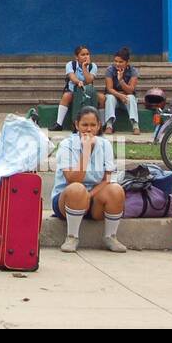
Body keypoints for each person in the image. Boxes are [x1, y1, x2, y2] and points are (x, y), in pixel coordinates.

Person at [51, 105, 126, 253]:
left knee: (116, 189)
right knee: (77, 189)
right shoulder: (66, 145)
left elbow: (107, 179)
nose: (89, 129)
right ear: (77, 125)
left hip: (93, 199)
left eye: (93, 125)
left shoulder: (105, 145)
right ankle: (72, 237)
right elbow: (72, 180)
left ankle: (110, 236)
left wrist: (89, 196)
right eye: (85, 125)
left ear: (99, 126)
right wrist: (85, 151)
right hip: (67, 199)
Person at [53, 45, 97, 132]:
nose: (86, 56)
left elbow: (89, 80)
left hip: (88, 91)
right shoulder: (70, 64)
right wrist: (78, 82)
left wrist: (84, 67)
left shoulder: (93, 66)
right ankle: (59, 123)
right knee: (66, 96)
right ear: (77, 57)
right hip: (73, 90)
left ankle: (101, 124)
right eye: (83, 54)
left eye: (87, 54)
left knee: (102, 98)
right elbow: (72, 77)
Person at [104, 47, 141, 136]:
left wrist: (121, 80)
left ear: (127, 62)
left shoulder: (133, 71)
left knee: (131, 98)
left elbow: (130, 90)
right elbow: (109, 89)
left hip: (126, 99)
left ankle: (135, 125)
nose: (117, 64)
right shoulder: (110, 70)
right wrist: (120, 95)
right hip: (115, 98)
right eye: (116, 61)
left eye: (121, 62)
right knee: (109, 97)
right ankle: (109, 125)